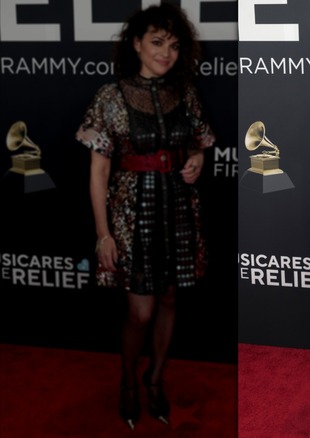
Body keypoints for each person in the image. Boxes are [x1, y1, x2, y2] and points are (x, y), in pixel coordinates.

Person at [75, 3, 214, 430]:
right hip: (132, 214)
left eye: (173, 45)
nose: (166, 53)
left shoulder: (185, 91)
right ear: (136, 43)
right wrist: (103, 234)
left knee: (170, 297)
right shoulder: (111, 96)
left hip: (177, 210)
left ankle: (155, 380)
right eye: (157, 42)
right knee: (140, 312)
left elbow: (199, 144)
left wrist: (195, 160)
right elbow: (99, 172)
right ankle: (128, 380)